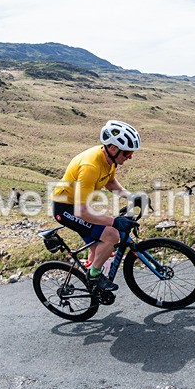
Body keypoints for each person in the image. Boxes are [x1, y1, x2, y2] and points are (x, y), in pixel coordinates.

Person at [51, 120, 142, 298]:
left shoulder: (108, 159)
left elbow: (110, 182)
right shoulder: (90, 167)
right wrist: (114, 221)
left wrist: (132, 197)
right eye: (128, 152)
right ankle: (93, 276)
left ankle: (93, 290)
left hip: (79, 205)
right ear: (113, 148)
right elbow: (82, 212)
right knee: (111, 235)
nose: (130, 157)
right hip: (66, 208)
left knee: (99, 248)